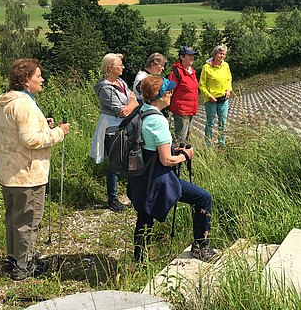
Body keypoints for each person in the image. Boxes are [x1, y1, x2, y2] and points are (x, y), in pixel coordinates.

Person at [0, 58, 70, 281]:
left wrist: (42, 123)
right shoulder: (24, 104)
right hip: (27, 174)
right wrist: (59, 133)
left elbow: (17, 132)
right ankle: (24, 265)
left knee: (14, 218)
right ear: (26, 81)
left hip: (9, 172)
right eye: (38, 75)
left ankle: (13, 258)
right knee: (28, 220)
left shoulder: (8, 102)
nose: (42, 79)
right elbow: (31, 140)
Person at [127, 76, 218, 263]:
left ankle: (140, 260)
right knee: (203, 198)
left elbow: (150, 146)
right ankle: (201, 247)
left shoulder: (141, 111)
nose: (171, 94)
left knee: (145, 215)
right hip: (158, 178)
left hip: (141, 175)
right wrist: (185, 156)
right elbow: (166, 160)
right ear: (160, 96)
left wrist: (173, 149)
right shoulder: (158, 120)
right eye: (168, 92)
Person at [90, 53, 139, 211]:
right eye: (120, 65)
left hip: (124, 126)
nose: (123, 67)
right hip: (112, 128)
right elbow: (122, 111)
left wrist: (130, 103)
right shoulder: (105, 88)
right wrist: (131, 102)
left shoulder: (120, 82)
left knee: (128, 159)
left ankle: (132, 194)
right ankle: (112, 198)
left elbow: (133, 102)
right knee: (114, 163)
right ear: (110, 68)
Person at [199, 45, 232, 146]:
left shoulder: (225, 65)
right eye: (220, 53)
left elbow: (228, 79)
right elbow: (202, 85)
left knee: (223, 122)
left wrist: (228, 90)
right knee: (210, 123)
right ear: (214, 54)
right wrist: (209, 96)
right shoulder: (206, 67)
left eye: (223, 54)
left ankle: (222, 143)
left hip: (223, 98)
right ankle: (208, 144)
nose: (221, 56)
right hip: (211, 100)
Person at [168, 46, 199, 144]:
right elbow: (169, 91)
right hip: (181, 111)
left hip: (191, 110)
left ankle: (186, 157)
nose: (192, 58)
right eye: (189, 55)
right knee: (180, 139)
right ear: (182, 57)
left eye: (193, 56)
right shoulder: (176, 73)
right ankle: (178, 158)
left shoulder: (192, 72)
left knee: (187, 139)